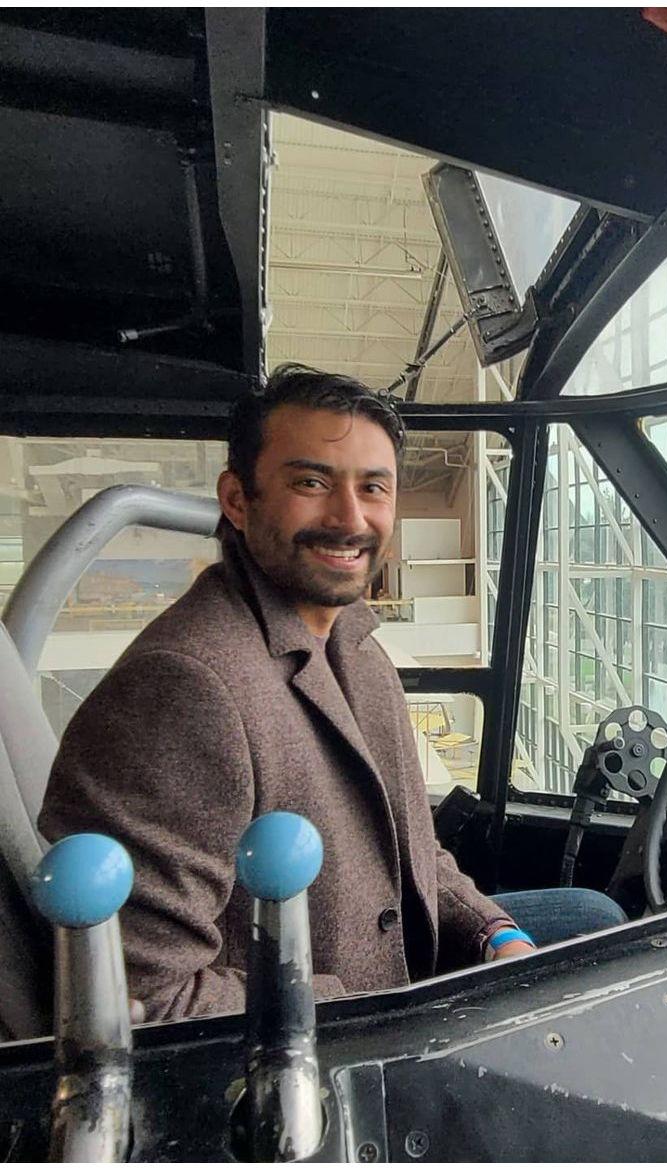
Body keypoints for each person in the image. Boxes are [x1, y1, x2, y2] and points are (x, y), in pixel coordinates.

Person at [38, 364, 624, 1022]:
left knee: (592, 918)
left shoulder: (350, 640)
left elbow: (414, 848)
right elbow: (140, 997)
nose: (350, 519)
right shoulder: (183, 688)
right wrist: (372, 1011)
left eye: (373, 488)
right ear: (238, 498)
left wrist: (495, 936)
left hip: (392, 955)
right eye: (311, 482)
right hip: (328, 1029)